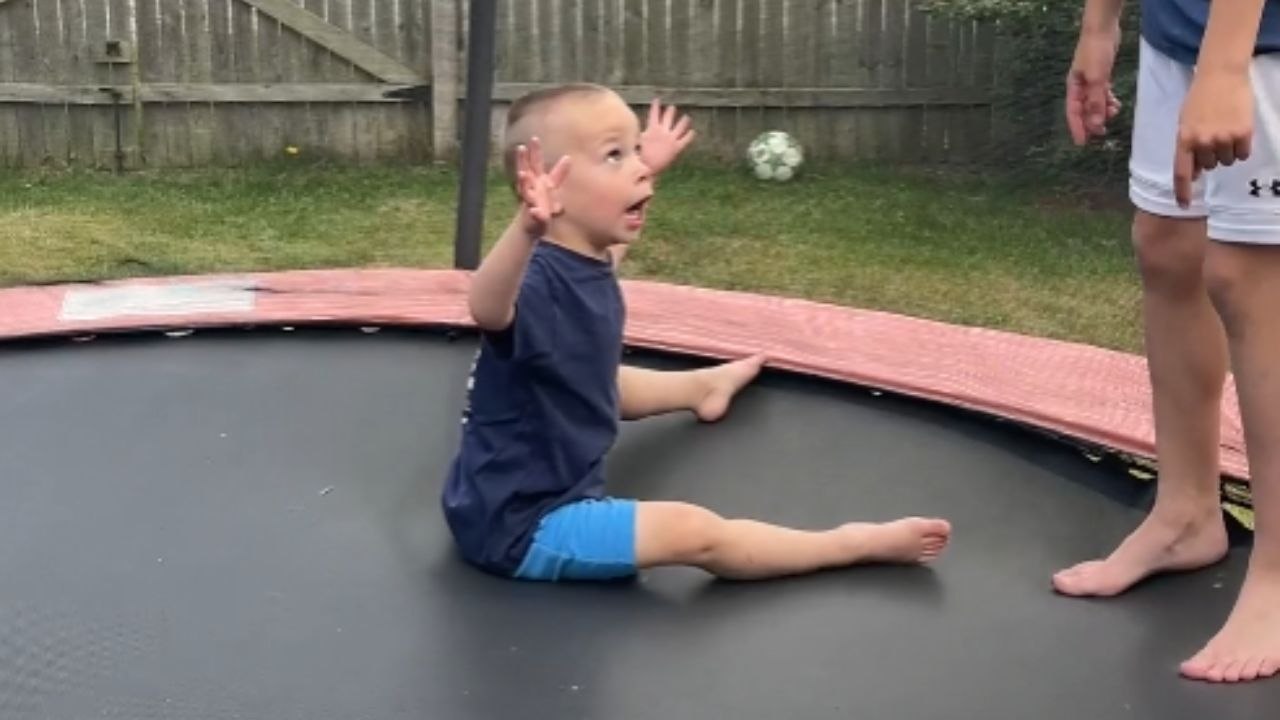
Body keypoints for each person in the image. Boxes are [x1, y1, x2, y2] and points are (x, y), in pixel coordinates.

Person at [440, 84, 952, 583]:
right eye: (615, 155)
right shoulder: (532, 285)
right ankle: (850, 544)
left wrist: (648, 167)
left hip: (515, 472)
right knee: (695, 531)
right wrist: (524, 229)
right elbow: (486, 307)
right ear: (552, 189)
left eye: (635, 149)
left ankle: (702, 388)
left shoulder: (585, 256)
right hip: (522, 526)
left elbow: (610, 254)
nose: (639, 167)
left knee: (600, 378)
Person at [1059, 0, 1280, 683]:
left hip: (1262, 40)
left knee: (1251, 276)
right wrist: (1100, 26)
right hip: (1180, 29)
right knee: (1168, 244)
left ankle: (1279, 572)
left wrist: (1225, 66)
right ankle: (1186, 512)